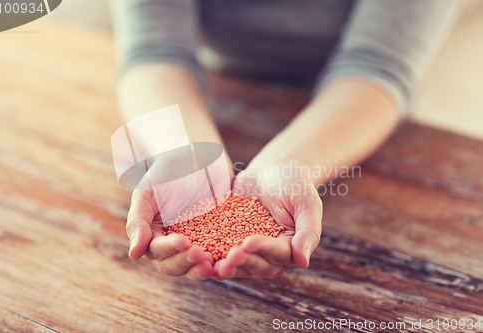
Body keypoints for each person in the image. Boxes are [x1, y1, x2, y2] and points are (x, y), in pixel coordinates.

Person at [109, 0, 461, 280]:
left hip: (359, 109)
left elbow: (378, 67)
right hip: (221, 86)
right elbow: (154, 53)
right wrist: (185, 151)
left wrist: (290, 165)